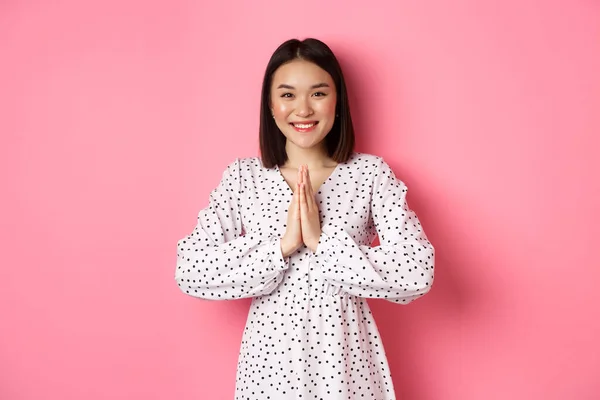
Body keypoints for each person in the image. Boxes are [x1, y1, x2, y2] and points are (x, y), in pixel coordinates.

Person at [175, 37, 435, 400]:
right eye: (287, 95)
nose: (303, 109)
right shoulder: (243, 178)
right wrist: (282, 247)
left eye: (317, 93)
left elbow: (416, 272)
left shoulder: (370, 175)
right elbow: (190, 270)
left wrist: (322, 242)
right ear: (269, 105)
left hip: (346, 367)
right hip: (269, 369)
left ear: (337, 101)